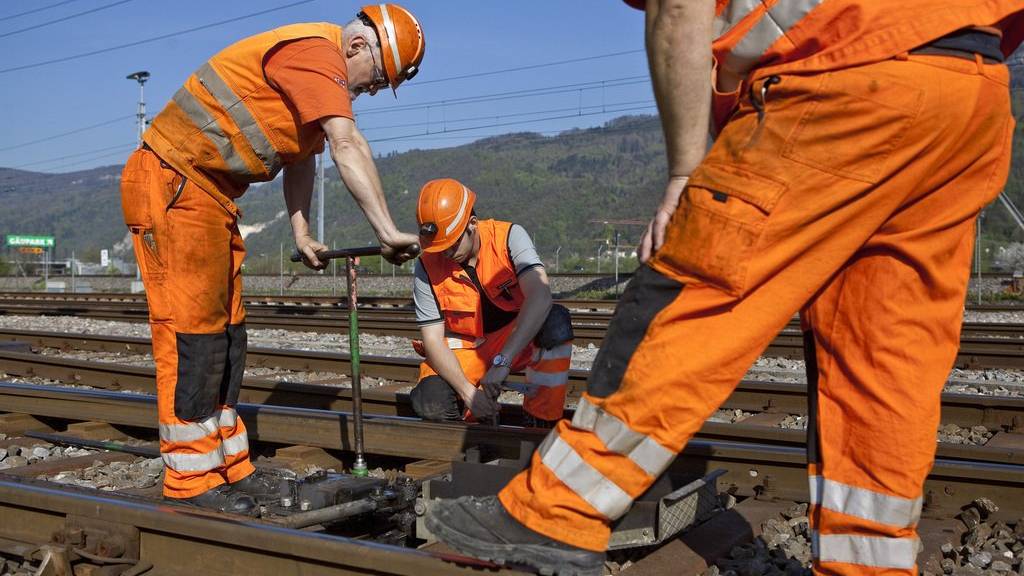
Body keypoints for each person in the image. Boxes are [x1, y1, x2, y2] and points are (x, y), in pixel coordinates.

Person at [427, 1, 1024, 575]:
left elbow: (678, 9)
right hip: (973, 90)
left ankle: (556, 511)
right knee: (883, 353)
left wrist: (688, 175)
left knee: (691, 292)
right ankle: (866, 565)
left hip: (846, 74)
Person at [118, 4, 425, 515]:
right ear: (357, 48)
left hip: (210, 195)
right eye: (376, 80)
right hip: (173, 182)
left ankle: (229, 465)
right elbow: (347, 142)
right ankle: (191, 478)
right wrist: (387, 231)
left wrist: (302, 231)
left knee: (227, 334)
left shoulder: (319, 71)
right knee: (192, 333)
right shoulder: (314, 53)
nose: (369, 91)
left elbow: (302, 156)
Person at [409, 178, 573, 426]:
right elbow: (432, 340)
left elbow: (540, 296)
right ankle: (472, 431)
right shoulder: (426, 265)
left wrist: (503, 362)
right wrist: (468, 392)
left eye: (452, 245)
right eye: (438, 247)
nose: (445, 253)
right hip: (467, 352)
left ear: (472, 224)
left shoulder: (508, 238)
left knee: (555, 321)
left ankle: (541, 420)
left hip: (516, 340)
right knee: (429, 401)